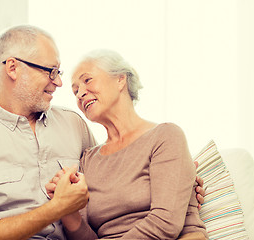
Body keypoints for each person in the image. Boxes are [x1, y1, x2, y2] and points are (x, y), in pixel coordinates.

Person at [0, 25, 205, 240]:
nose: (60, 83)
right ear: (13, 68)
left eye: (62, 73)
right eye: (50, 71)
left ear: (121, 79)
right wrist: (56, 209)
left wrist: (179, 177)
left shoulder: (74, 125)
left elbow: (119, 176)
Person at [46, 49, 208, 239]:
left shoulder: (165, 136)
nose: (80, 93)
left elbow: (166, 223)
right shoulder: (89, 159)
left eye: (87, 80)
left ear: (120, 79)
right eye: (75, 91)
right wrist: (67, 210)